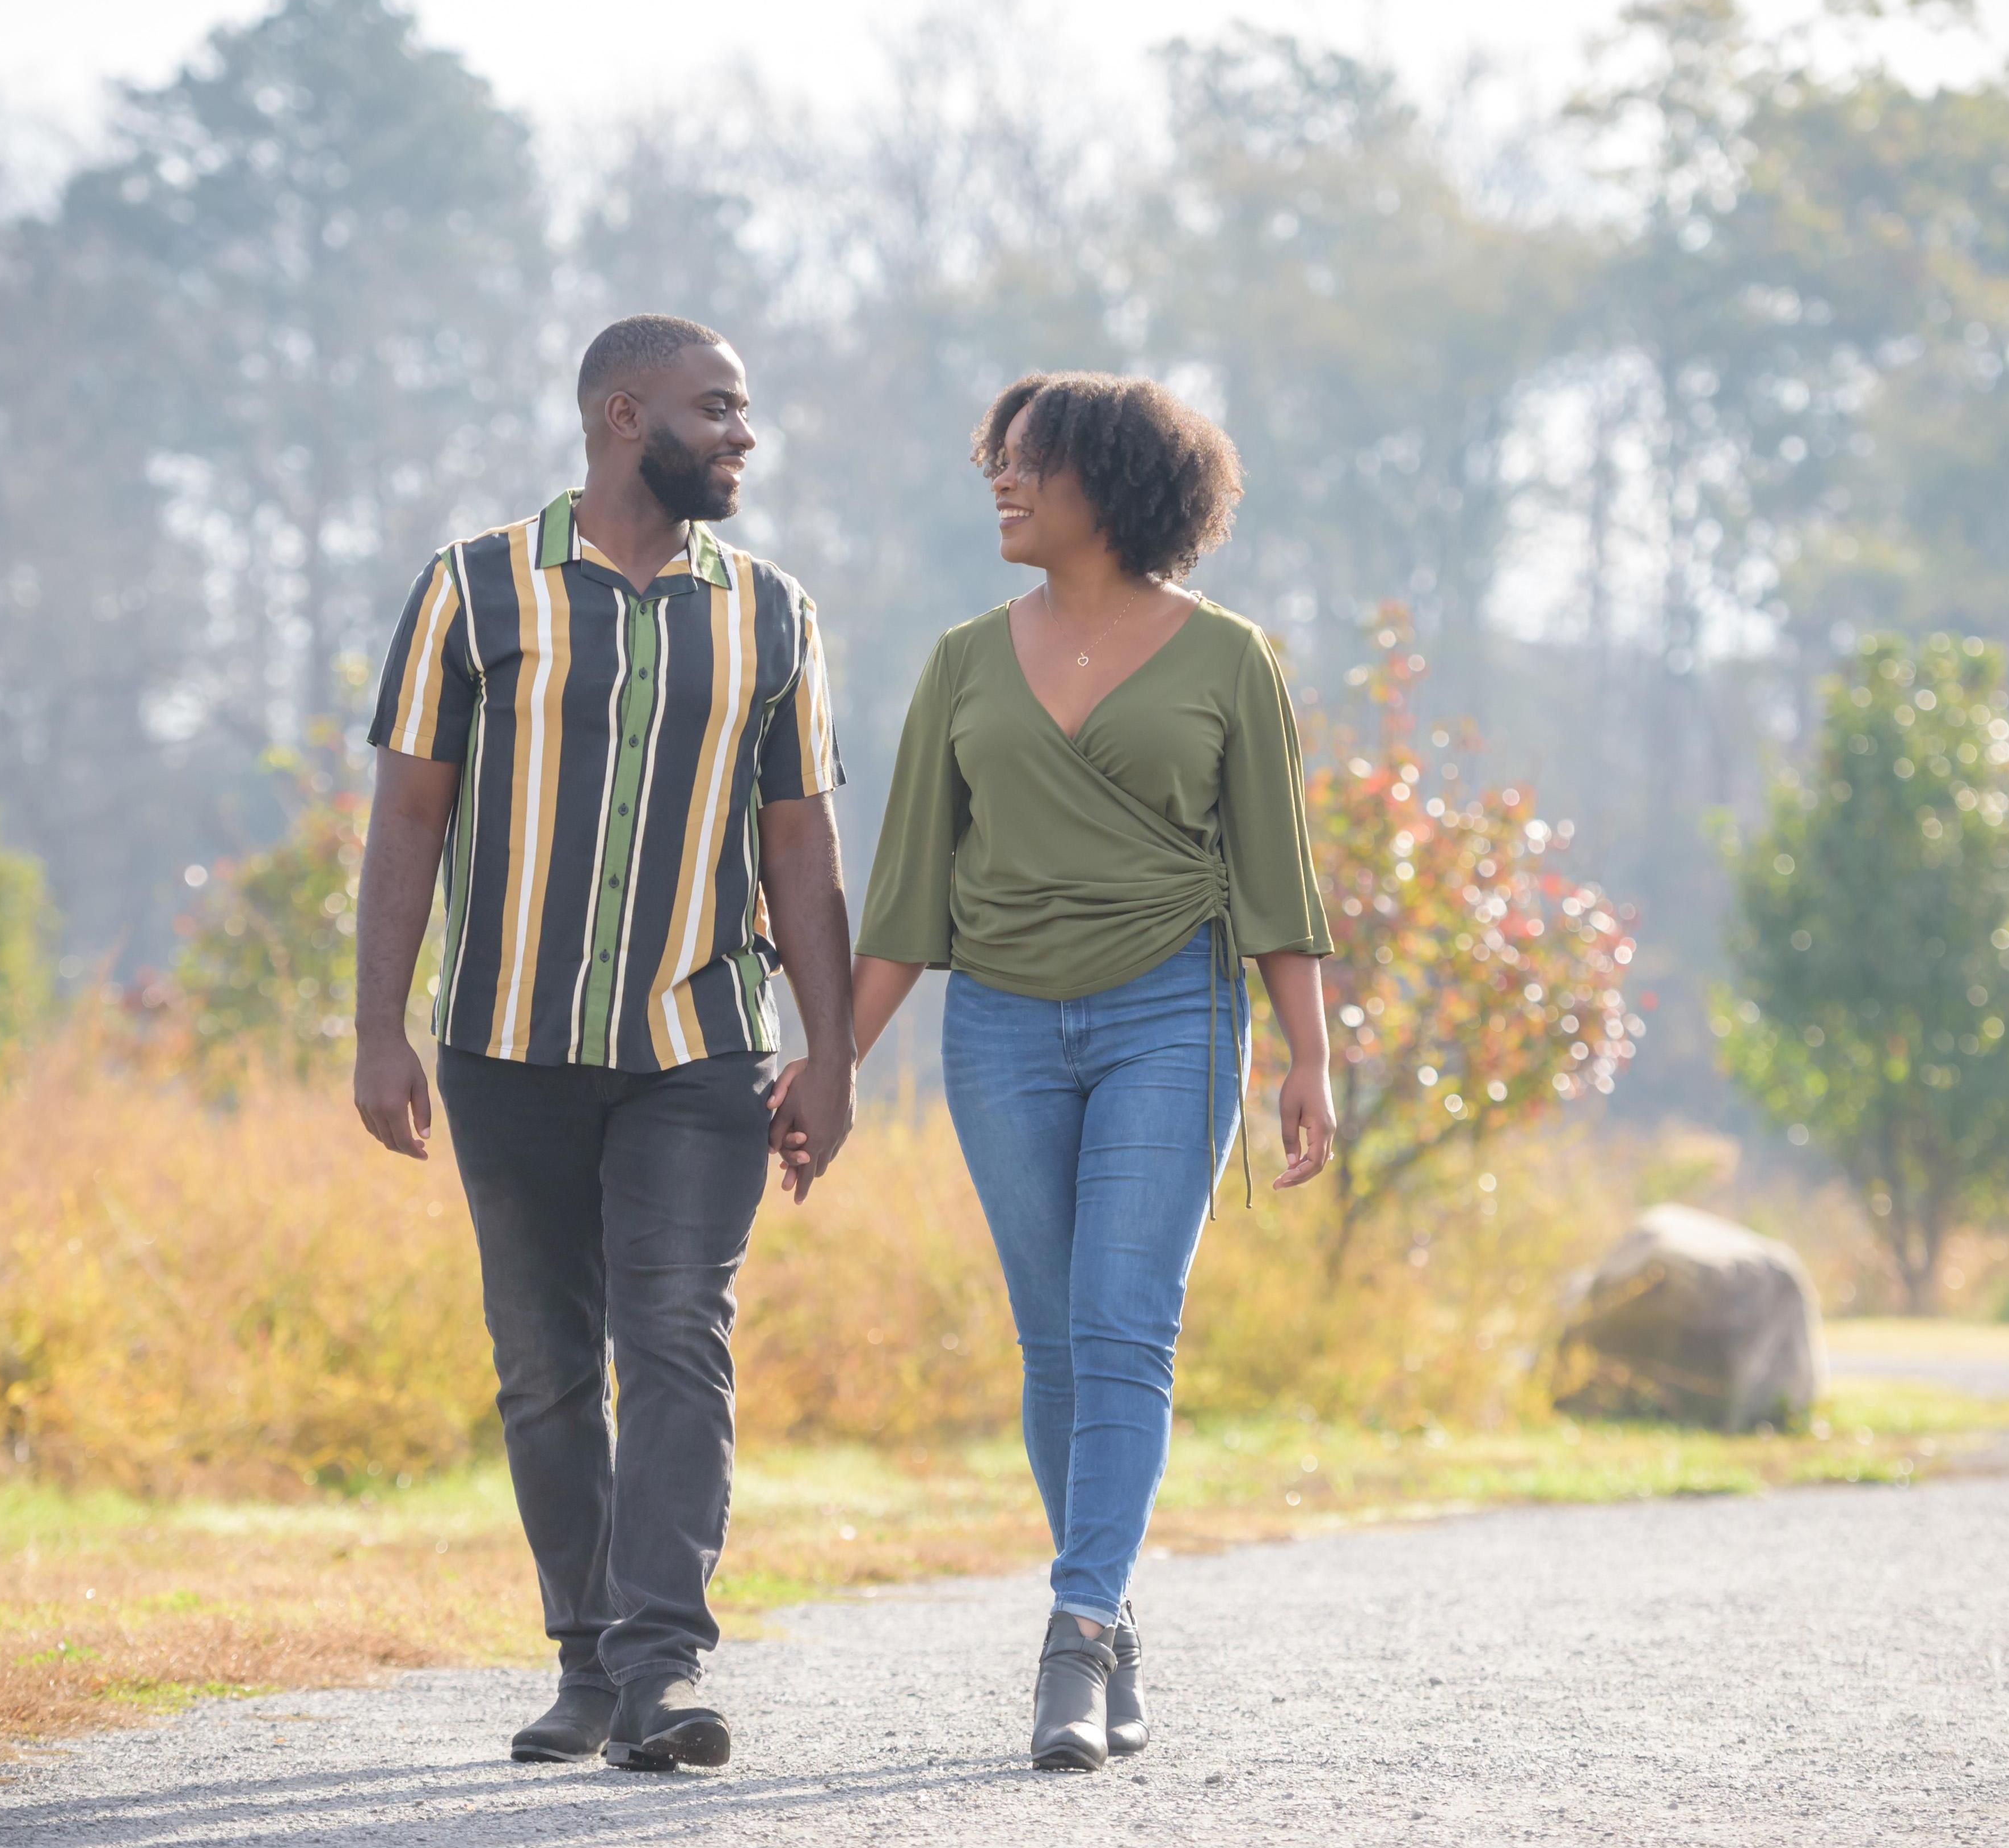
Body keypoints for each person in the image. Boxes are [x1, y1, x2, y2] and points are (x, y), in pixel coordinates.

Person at [808, 371, 1335, 1771]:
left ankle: (1075, 1626)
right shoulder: (963, 660)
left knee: (1121, 1320)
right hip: (997, 1024)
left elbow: (1276, 874)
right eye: (998, 458)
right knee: (1051, 1337)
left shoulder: (1227, 660)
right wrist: (832, 1070)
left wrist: (1307, 1056)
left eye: (1033, 462)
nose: (1003, 482)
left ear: (1116, 482)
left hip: (1175, 1008)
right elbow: (909, 886)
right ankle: (1104, 1615)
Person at [349, 315, 854, 1774]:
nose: (745, 436)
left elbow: (801, 843)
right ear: (625, 415)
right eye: (721, 408)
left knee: (677, 1338)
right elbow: (407, 817)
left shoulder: (772, 612)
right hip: (503, 1046)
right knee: (544, 1362)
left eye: (745, 410)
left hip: (699, 1044)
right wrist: (377, 1029)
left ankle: (663, 1663)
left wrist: (831, 1054)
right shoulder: (473, 588)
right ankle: (583, 1656)